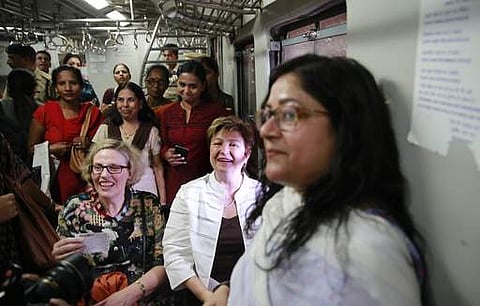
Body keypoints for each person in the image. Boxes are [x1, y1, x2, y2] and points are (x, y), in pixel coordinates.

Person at [204, 55, 426, 306]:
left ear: (345, 126)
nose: (265, 130)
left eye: (288, 115)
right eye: (267, 115)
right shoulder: (289, 200)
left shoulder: (367, 254)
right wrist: (230, 290)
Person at [52, 138, 168, 305]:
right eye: (98, 167)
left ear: (130, 172)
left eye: (114, 167)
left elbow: (163, 263)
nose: (104, 175)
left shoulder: (148, 205)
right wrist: (60, 260)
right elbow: (69, 271)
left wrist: (129, 295)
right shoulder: (74, 209)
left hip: (141, 297)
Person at [163, 116, 259, 305]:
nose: (224, 151)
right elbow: (175, 253)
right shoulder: (188, 193)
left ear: (247, 153)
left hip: (253, 296)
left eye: (233, 144)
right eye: (218, 143)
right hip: (202, 297)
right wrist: (209, 298)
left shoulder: (261, 195)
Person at [28, 65, 103, 205]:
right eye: (62, 83)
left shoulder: (92, 113)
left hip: (87, 178)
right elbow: (31, 149)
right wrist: (51, 149)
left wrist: (89, 145)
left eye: (73, 83)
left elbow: (106, 148)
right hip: (55, 179)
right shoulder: (45, 112)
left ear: (81, 86)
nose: (68, 88)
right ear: (56, 87)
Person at [160, 60, 229, 206]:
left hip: (205, 179)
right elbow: (162, 144)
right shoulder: (167, 113)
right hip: (174, 179)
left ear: (203, 86)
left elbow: (225, 144)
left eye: (193, 86)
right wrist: (166, 154)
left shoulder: (216, 112)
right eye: (182, 85)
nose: (186, 91)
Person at [93, 82, 167, 204]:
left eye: (131, 100)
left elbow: (157, 166)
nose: (125, 105)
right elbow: (95, 164)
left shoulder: (150, 131)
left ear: (141, 103)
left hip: (144, 188)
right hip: (112, 189)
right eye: (120, 100)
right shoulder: (106, 128)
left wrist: (163, 202)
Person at [0, 69, 38, 164]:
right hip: (33, 162)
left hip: (8, 163)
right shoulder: (40, 109)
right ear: (33, 88)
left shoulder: (3, 107)